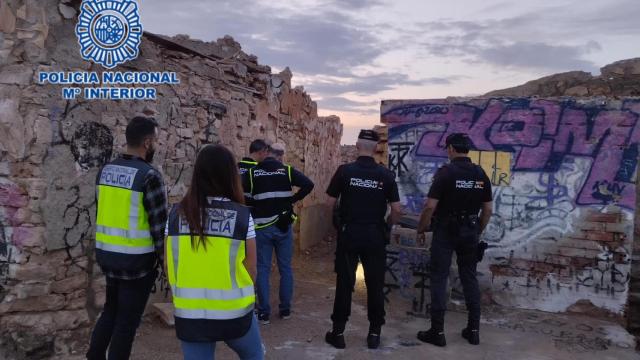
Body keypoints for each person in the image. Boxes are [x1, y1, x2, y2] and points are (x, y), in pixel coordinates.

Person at [166, 144, 263, 360]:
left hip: (191, 314)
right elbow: (251, 268)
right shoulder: (242, 216)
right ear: (230, 175)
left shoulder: (175, 215)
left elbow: (170, 263)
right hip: (235, 313)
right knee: (255, 355)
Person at [87, 116, 168, 360]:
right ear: (146, 142)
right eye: (155, 140)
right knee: (127, 323)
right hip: (136, 262)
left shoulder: (106, 170)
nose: (156, 145)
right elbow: (158, 225)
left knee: (110, 311)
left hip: (107, 255)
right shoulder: (149, 176)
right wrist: (165, 261)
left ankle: (94, 357)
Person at [324, 130, 401, 350]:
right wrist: (387, 226)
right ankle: (374, 334)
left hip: (350, 233)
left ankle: (338, 333)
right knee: (375, 284)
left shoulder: (345, 171)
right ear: (376, 148)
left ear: (357, 146)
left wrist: (338, 222)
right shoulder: (386, 175)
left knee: (344, 284)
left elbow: (329, 203)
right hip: (375, 235)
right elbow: (396, 209)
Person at [415, 133, 493, 347]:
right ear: (467, 150)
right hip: (470, 230)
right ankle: (474, 330)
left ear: (450, 149)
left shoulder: (446, 173)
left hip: (446, 231)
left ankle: (437, 332)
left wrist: (421, 228)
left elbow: (430, 206)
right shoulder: (480, 173)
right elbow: (487, 210)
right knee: (469, 276)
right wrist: (477, 230)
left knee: (440, 277)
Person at [248, 142, 314, 324]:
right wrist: (293, 199)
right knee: (285, 268)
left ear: (266, 153)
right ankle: (285, 310)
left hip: (261, 228)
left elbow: (243, 196)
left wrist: (255, 206)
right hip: (283, 226)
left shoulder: (253, 173)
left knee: (263, 269)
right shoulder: (287, 170)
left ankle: (264, 313)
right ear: (280, 155)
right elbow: (309, 184)